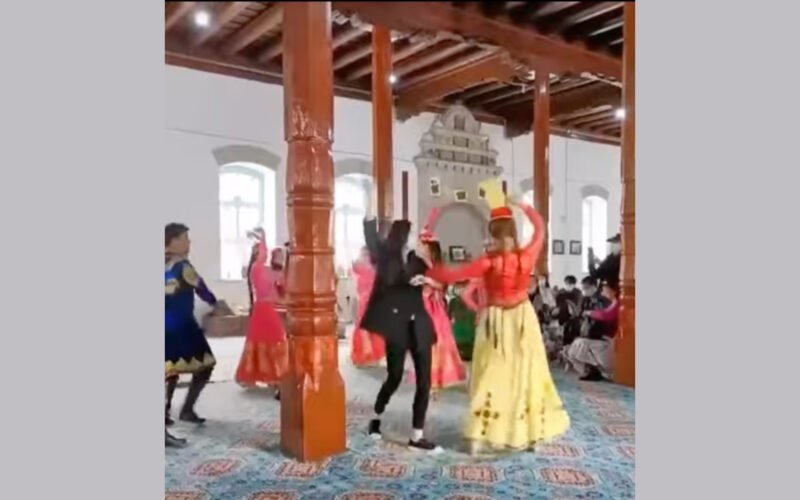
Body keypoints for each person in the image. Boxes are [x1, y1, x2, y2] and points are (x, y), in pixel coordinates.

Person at [426, 179, 570, 454]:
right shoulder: (527, 255)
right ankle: (528, 432)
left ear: (492, 233)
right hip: (523, 317)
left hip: (495, 320)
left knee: (491, 373)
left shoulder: (488, 261)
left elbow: (454, 275)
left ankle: (484, 433)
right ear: (514, 232)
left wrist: (429, 272)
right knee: (525, 373)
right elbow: (540, 227)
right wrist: (522, 204)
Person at [361, 216, 441, 452]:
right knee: (394, 376)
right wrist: (368, 222)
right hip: (397, 325)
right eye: (413, 232)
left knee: (424, 381)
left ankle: (417, 436)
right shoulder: (386, 256)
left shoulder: (418, 260)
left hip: (419, 324)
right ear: (402, 235)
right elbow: (373, 243)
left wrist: (429, 281)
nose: (417, 237)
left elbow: (440, 281)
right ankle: (375, 418)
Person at [165, 223, 223, 425]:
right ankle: (187, 409)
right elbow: (203, 290)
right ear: (172, 241)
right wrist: (216, 304)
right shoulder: (184, 267)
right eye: (184, 238)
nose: (188, 242)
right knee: (206, 365)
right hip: (183, 326)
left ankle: (164, 411)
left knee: (169, 368)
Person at [406, 211, 467, 393]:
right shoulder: (414, 261)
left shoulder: (438, 265)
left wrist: (428, 281)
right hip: (422, 305)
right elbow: (409, 280)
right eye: (418, 243)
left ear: (429, 247)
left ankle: (439, 378)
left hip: (437, 307)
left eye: (421, 244)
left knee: (441, 341)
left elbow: (444, 284)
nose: (418, 247)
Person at [234, 232, 288, 399]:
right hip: (263, 310)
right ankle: (272, 376)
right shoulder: (256, 269)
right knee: (275, 339)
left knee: (270, 340)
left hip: (266, 309)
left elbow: (282, 290)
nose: (264, 254)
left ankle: (273, 376)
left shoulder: (269, 271)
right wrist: (263, 236)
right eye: (260, 252)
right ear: (257, 255)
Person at [563, 282, 620, 381]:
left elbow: (606, 316)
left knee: (579, 345)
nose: (602, 291)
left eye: (604, 289)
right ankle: (592, 371)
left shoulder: (610, 302)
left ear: (612, 290)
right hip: (602, 338)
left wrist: (590, 313)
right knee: (574, 346)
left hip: (609, 340)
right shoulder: (590, 300)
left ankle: (596, 370)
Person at [350, 247, 385, 366]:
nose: (365, 257)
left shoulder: (374, 270)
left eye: (366, 255)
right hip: (365, 301)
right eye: (363, 254)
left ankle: (372, 355)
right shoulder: (359, 268)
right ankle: (364, 355)